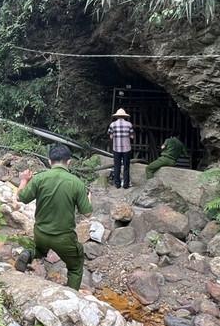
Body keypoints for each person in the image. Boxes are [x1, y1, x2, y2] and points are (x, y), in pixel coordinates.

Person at [14, 144, 93, 290]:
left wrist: (24, 180)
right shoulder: (77, 183)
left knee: (40, 250)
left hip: (41, 233)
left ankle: (29, 253)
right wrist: (89, 200)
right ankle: (72, 295)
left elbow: (20, 198)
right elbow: (87, 213)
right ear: (69, 162)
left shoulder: (39, 178)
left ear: (50, 161)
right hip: (64, 238)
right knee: (75, 267)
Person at [107, 108, 134, 189]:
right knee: (126, 167)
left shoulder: (112, 124)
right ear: (124, 116)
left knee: (117, 166)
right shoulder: (129, 124)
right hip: (127, 149)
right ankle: (126, 184)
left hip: (116, 149)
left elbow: (111, 136)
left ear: (117, 116)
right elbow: (132, 136)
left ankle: (117, 184)